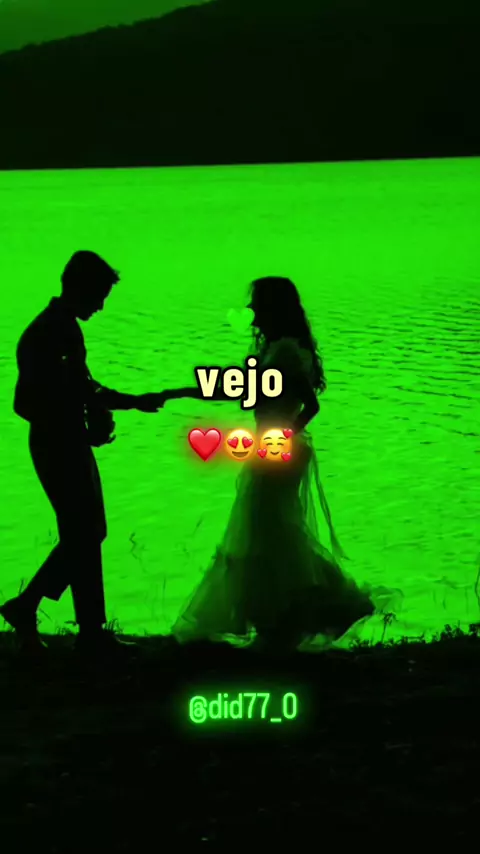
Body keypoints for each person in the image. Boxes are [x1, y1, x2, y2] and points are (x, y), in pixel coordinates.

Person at [160, 276, 396, 651]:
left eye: (258, 303)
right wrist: (177, 393)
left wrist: (284, 436)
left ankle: (299, 614)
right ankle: (283, 618)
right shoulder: (276, 350)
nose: (252, 310)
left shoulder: (285, 352)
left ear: (272, 308)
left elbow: (310, 406)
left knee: (267, 529)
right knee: (271, 529)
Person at [0, 250, 163, 655]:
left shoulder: (63, 327)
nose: (101, 305)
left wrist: (111, 408)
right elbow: (27, 401)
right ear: (79, 287)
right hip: (57, 445)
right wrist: (92, 411)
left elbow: (82, 387)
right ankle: (61, 619)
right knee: (85, 533)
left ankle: (73, 623)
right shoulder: (49, 331)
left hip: (68, 441)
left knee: (87, 533)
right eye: (99, 295)